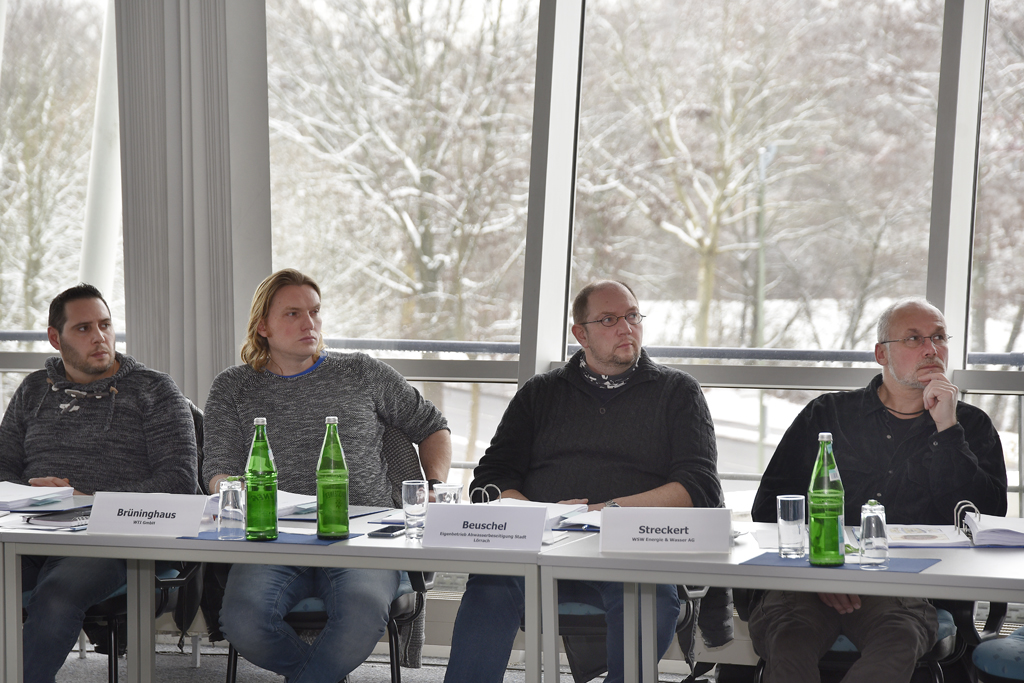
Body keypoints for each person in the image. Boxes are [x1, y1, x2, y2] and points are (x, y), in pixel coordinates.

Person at [444, 280, 723, 683]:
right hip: (540, 548)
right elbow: (491, 478)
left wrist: (603, 512)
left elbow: (699, 487)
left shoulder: (677, 392)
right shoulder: (541, 393)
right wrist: (541, 515)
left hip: (632, 551)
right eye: (609, 320)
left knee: (646, 598)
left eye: (632, 316)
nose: (626, 327)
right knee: (489, 585)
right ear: (581, 334)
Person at [204, 268, 451, 683]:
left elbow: (433, 426)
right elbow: (217, 469)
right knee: (243, 619)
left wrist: (434, 486)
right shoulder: (234, 387)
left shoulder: (361, 372)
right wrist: (233, 490)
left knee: (360, 613)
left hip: (363, 536)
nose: (310, 323)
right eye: (293, 314)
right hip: (273, 537)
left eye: (315, 312)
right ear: (263, 326)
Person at [748, 297, 1007, 683]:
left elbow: (985, 522)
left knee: (896, 644)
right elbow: (772, 508)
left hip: (904, 590)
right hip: (809, 583)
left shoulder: (969, 425)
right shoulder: (828, 415)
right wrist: (825, 574)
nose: (931, 349)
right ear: (881, 354)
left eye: (939, 337)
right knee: (789, 646)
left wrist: (947, 430)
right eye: (914, 338)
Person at [0, 284, 199, 683]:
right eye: (83, 328)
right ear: (55, 337)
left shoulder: (155, 390)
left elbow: (180, 481)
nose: (99, 337)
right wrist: (29, 493)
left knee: (58, 594)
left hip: (113, 538)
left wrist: (89, 499)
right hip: (31, 531)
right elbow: (3, 467)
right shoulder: (33, 390)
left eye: (105, 325)